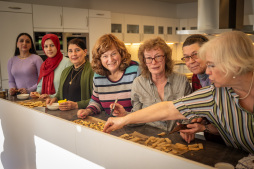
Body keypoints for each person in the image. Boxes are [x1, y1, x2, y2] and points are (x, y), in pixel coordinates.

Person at [103, 31, 254, 154]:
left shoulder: (194, 85)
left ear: (235, 64)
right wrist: (123, 119)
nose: (207, 71)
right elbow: (168, 108)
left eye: (212, 65)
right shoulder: (214, 94)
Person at [110, 37, 192, 131]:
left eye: (158, 56)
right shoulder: (138, 83)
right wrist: (124, 115)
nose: (154, 62)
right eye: (149, 58)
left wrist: (187, 129)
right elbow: (138, 116)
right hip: (150, 137)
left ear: (166, 58)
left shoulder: (181, 80)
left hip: (178, 136)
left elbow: (189, 113)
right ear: (144, 61)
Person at [77, 34, 140, 118]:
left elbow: (144, 105)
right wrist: (88, 110)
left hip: (135, 124)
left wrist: (126, 116)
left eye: (113, 54)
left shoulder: (135, 71)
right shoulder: (98, 76)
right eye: (105, 56)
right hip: (112, 125)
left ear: (121, 53)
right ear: (99, 59)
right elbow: (96, 101)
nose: (110, 59)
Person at [180, 34, 223, 144]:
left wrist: (204, 127)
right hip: (213, 141)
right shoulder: (196, 77)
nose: (190, 61)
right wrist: (198, 120)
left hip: (234, 143)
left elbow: (229, 122)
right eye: (186, 57)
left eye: (195, 55)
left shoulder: (222, 79)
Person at [46, 38, 93, 111]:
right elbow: (59, 93)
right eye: (70, 51)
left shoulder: (92, 71)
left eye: (77, 50)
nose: (73, 54)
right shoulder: (65, 71)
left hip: (83, 115)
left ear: (85, 52)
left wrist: (76, 105)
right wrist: (54, 99)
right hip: (64, 114)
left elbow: (98, 99)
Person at [30, 34, 72, 99]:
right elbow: (40, 85)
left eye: (52, 45)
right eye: (46, 46)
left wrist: (51, 96)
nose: (49, 49)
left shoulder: (67, 62)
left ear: (57, 46)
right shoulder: (44, 65)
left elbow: (68, 87)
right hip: (46, 103)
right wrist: (37, 93)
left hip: (62, 103)